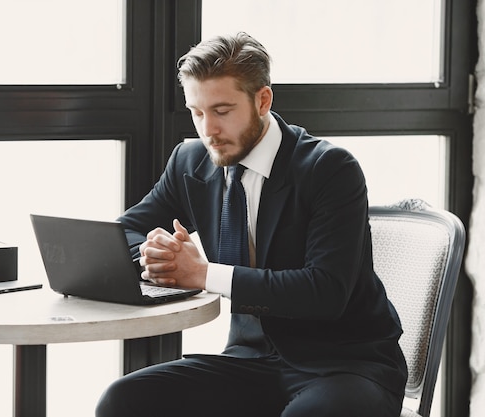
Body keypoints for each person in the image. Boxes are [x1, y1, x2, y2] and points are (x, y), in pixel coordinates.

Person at [96, 32, 407, 417]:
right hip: (250, 360)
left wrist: (203, 274)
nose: (207, 129)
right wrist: (157, 255)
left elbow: (325, 291)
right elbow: (123, 234)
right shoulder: (190, 162)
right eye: (197, 112)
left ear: (262, 100)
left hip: (345, 364)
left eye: (222, 111)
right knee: (124, 401)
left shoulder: (329, 169)